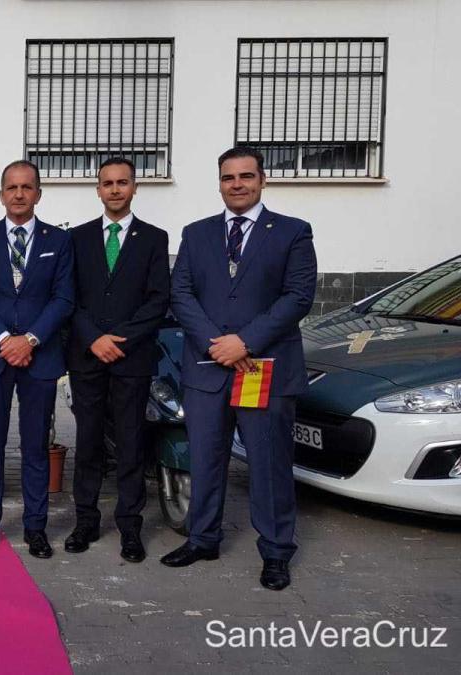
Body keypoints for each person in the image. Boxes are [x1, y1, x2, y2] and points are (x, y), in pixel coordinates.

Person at [162, 147, 317, 591]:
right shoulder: (197, 233)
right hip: (208, 368)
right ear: (219, 182)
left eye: (246, 176)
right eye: (229, 177)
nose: (237, 184)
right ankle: (203, 538)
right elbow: (182, 294)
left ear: (262, 179)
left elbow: (297, 297)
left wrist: (244, 342)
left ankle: (275, 552)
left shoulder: (292, 233)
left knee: (268, 465)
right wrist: (219, 343)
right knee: (206, 459)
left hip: (261, 368)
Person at [0, 160, 74, 559]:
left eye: (27, 187)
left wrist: (30, 339)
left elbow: (64, 298)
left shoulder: (59, 242)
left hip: (39, 358)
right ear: (2, 194)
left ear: (38, 193)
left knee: (35, 446)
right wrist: (5, 338)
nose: (19, 194)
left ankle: (35, 527)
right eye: (12, 187)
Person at [64, 157, 170, 563]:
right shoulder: (77, 238)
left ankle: (130, 526)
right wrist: (94, 338)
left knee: (130, 442)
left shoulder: (154, 238)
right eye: (107, 183)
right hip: (87, 356)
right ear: (97, 189)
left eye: (122, 182)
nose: (114, 189)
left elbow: (158, 298)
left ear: (134, 187)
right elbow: (68, 296)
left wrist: (119, 340)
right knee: (88, 441)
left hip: (131, 357)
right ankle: (86, 521)